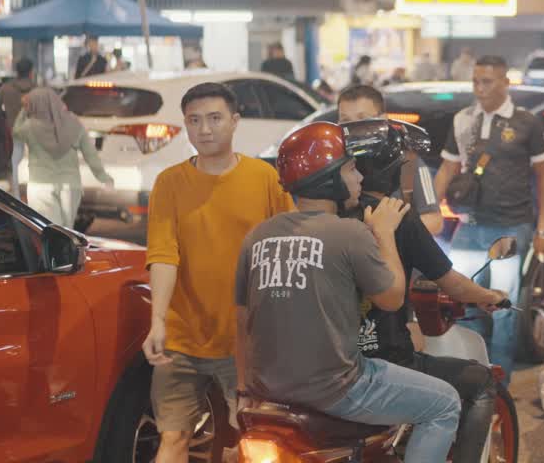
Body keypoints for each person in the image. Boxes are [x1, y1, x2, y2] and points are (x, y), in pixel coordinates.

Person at [235, 122, 461, 463]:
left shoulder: (258, 236)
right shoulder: (349, 233)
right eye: (351, 168)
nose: (359, 178)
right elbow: (392, 298)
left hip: (267, 389)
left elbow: (241, 322)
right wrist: (384, 232)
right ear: (328, 177)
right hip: (336, 389)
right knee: (445, 403)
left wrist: (243, 389)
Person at [143, 82, 295, 463]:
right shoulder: (169, 183)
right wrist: (157, 321)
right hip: (181, 337)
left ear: (235, 121)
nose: (205, 129)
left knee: (255, 440)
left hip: (246, 339)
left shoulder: (266, 179)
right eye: (194, 121)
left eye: (214, 118)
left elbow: (289, 253)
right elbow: (163, 255)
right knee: (173, 438)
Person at [341, 117, 506, 463]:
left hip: (336, 362)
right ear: (390, 168)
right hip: (384, 360)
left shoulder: (335, 215)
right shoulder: (399, 217)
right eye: (406, 164)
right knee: (479, 383)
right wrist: (490, 296)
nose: (409, 170)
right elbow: (452, 282)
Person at [434, 55, 544, 383]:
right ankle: (467, 373)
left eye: (486, 81)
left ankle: (498, 381)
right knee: (461, 300)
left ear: (505, 82)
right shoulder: (462, 120)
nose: (479, 88)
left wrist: (543, 226)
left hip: (510, 227)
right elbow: (447, 167)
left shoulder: (525, 122)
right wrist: (428, 209)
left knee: (502, 306)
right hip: (468, 226)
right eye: (475, 81)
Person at [337, 85, 444, 236]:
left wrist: (387, 230)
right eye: (346, 121)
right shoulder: (334, 168)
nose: (355, 128)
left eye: (363, 119)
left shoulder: (409, 164)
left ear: (383, 119)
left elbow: (434, 221)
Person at [13, 88, 113, 228]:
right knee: (67, 231)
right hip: (70, 186)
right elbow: (90, 154)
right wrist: (103, 177)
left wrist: (23, 111)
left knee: (49, 230)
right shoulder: (74, 124)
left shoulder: (29, 127)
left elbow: (16, 131)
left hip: (41, 185)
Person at [0, 57, 36, 129]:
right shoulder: (37, 90)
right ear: (31, 73)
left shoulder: (6, 88)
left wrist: (4, 118)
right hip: (32, 133)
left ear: (17, 72)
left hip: (12, 131)